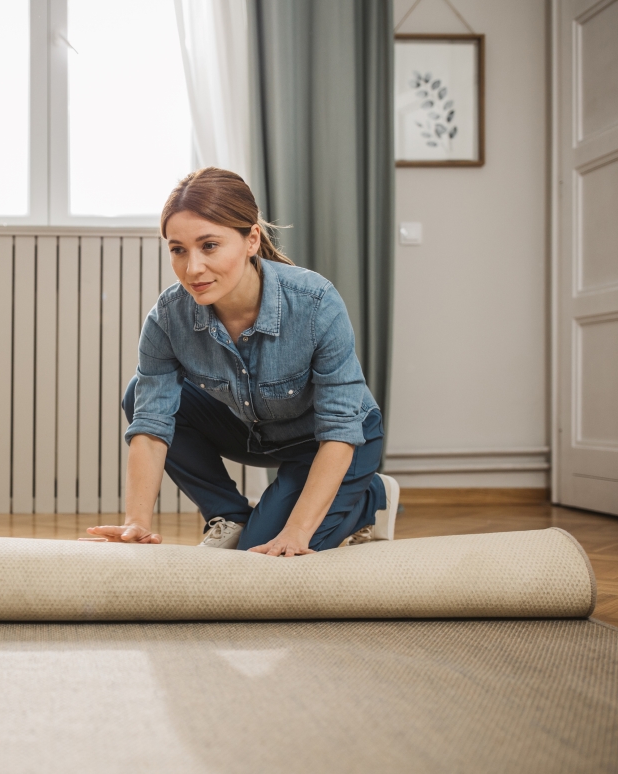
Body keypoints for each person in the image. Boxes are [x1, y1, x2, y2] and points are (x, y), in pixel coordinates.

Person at [85, 167, 398, 556]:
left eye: (210, 245)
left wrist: (298, 531)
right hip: (254, 431)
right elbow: (151, 425)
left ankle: (370, 496)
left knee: (268, 553)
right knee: (139, 395)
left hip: (333, 441)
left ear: (251, 240)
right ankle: (229, 515)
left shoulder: (316, 303)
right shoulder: (168, 318)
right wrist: (136, 522)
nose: (192, 268)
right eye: (178, 249)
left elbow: (338, 430)